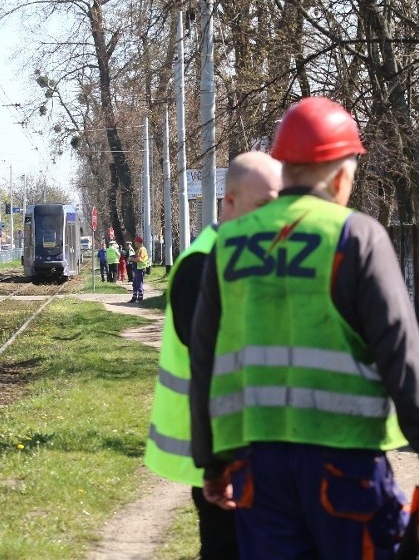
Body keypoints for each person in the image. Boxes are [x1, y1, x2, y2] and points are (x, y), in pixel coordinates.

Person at [189, 96, 419, 559]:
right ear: (340, 171)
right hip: (345, 462)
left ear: (284, 166)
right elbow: (401, 349)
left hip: (259, 463)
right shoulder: (356, 236)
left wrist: (210, 461)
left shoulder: (228, 244)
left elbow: (204, 357)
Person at [144, 150, 283, 560]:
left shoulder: (241, 258)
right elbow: (216, 358)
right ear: (229, 202)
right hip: (221, 452)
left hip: (238, 448)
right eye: (263, 207)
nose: (273, 220)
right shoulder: (203, 264)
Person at [128, 236, 149, 302]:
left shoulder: (142, 250)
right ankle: (134, 297)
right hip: (137, 268)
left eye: (135, 242)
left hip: (140, 268)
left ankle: (140, 297)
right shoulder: (139, 250)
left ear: (138, 242)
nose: (135, 243)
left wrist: (131, 259)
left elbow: (139, 259)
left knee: (139, 283)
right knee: (135, 283)